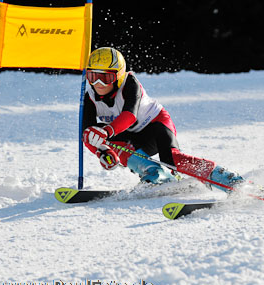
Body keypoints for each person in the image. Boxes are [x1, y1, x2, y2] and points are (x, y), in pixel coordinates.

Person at [82, 47, 243, 192]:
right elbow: (86, 134)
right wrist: (102, 151)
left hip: (156, 126)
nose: (98, 84)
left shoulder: (130, 84)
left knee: (173, 159)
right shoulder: (90, 97)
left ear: (119, 76)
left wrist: (107, 131)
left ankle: (227, 179)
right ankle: (156, 174)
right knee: (94, 133)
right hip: (132, 137)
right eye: (92, 76)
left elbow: (129, 116)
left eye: (106, 78)